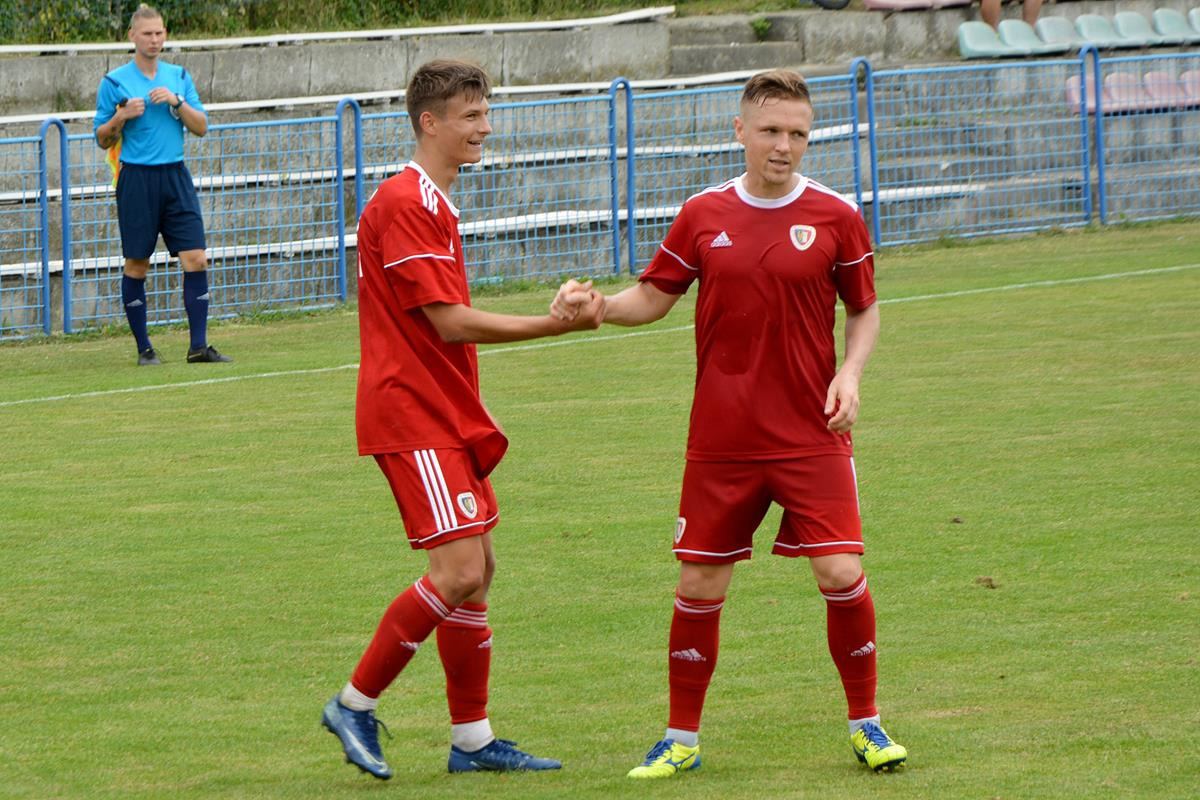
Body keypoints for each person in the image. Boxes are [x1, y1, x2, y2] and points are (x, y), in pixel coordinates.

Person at [554, 68, 907, 777]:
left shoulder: (837, 214)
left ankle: (867, 725)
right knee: (699, 587)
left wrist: (850, 373)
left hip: (811, 431)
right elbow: (654, 297)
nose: (784, 146)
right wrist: (598, 308)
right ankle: (680, 739)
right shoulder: (702, 213)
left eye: (798, 134)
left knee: (841, 570)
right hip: (722, 438)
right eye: (771, 130)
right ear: (740, 130)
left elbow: (864, 309)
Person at [320, 59, 604, 781]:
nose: (485, 128)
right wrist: (553, 325)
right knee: (458, 571)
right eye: (471, 116)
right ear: (430, 122)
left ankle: (472, 741)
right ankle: (354, 703)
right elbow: (448, 322)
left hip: (441, 410)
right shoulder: (406, 201)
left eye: (485, 113)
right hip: (412, 412)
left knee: (478, 573)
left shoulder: (434, 201)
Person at [94, 4, 230, 366]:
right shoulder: (114, 82)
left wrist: (177, 102)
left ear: (165, 34)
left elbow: (201, 127)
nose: (154, 40)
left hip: (175, 176)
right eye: (147, 34)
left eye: (159, 33)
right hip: (137, 178)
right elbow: (102, 138)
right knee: (138, 263)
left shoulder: (179, 76)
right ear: (132, 36)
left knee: (196, 258)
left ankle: (198, 346)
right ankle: (144, 349)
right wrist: (121, 117)